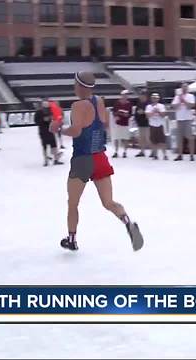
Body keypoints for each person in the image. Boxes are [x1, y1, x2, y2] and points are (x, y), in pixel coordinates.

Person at [50, 71, 143, 251]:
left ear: (79, 86)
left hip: (82, 159)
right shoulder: (100, 102)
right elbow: (106, 126)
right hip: (100, 156)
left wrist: (59, 129)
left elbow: (76, 131)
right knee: (109, 202)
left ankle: (72, 239)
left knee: (73, 203)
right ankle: (127, 222)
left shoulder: (78, 106)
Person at [171, 83, 196, 161]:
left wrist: (184, 101)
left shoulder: (191, 96)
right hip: (179, 119)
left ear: (188, 88)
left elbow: (191, 106)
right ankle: (180, 155)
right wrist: (179, 101)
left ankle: (192, 155)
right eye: (183, 87)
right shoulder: (177, 97)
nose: (184, 88)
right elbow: (173, 106)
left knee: (190, 137)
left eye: (186, 87)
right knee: (179, 138)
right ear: (181, 88)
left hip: (188, 119)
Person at [34, 100, 63, 166]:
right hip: (43, 131)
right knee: (45, 146)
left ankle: (56, 159)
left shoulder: (51, 111)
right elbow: (36, 122)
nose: (46, 108)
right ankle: (46, 161)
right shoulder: (38, 112)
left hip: (50, 130)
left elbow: (56, 118)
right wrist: (44, 119)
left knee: (54, 145)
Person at [146, 93, 168, 160]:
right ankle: (155, 155)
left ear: (158, 99)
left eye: (156, 98)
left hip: (160, 125)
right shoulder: (148, 107)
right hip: (152, 125)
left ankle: (165, 155)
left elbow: (163, 115)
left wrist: (158, 111)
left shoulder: (161, 106)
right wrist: (153, 111)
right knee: (153, 141)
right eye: (153, 98)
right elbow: (147, 116)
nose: (154, 99)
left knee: (162, 141)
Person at [111, 90, 132, 158]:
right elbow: (114, 112)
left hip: (125, 123)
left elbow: (130, 114)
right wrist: (116, 115)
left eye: (126, 95)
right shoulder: (117, 103)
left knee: (125, 138)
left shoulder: (129, 104)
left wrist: (127, 115)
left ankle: (125, 152)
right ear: (122, 95)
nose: (125, 96)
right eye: (124, 95)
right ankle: (116, 151)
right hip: (118, 123)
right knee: (116, 138)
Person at [133, 91, 151, 157]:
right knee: (141, 138)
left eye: (142, 95)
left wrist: (143, 112)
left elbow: (149, 113)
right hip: (140, 123)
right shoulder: (139, 103)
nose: (140, 97)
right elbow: (136, 112)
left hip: (147, 123)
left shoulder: (148, 104)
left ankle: (153, 151)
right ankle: (142, 151)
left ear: (145, 96)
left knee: (148, 138)